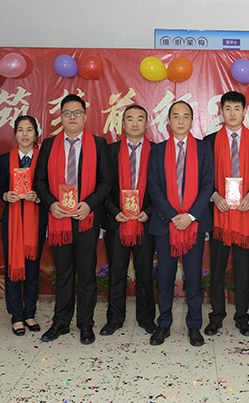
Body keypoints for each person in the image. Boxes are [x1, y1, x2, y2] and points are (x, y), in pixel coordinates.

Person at [34, 94, 112, 345]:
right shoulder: (48, 145)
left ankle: (85, 323)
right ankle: (61, 322)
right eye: (67, 113)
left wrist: (89, 204)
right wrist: (51, 204)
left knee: (87, 274)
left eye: (77, 113)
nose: (72, 117)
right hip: (59, 220)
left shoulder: (98, 144)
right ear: (61, 117)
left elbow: (106, 181)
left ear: (85, 117)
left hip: (85, 218)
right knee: (64, 274)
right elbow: (39, 181)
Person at [147, 101, 215, 348]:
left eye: (185, 116)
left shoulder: (204, 149)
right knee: (164, 276)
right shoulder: (158, 150)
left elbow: (208, 184)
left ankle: (194, 324)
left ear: (192, 121)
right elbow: (153, 185)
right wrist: (172, 215)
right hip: (165, 224)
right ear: (168, 121)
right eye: (176, 116)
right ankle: (164, 323)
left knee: (194, 277)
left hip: (194, 224)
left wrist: (191, 216)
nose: (180, 121)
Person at [203, 91, 249, 338]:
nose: (232, 113)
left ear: (244, 111)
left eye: (237, 108)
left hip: (244, 213)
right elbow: (204, 175)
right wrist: (214, 196)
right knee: (217, 269)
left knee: (242, 269)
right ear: (221, 111)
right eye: (227, 108)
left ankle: (242, 317)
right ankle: (216, 316)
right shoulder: (210, 140)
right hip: (219, 214)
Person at [99, 105, 158, 337]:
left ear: (146, 123)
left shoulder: (157, 151)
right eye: (130, 119)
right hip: (117, 221)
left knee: (145, 275)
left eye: (139, 119)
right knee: (116, 274)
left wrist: (149, 211)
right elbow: (103, 185)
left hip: (145, 222)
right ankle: (114, 319)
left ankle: (146, 319)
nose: (135, 123)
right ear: (122, 124)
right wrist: (114, 211)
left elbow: (162, 188)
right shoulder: (110, 151)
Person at [0, 116, 47, 336]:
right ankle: (16, 316)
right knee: (12, 267)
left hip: (36, 220)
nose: (25, 134)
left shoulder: (43, 157)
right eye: (20, 130)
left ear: (36, 134)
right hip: (12, 220)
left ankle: (30, 313)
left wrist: (38, 197)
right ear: (15, 134)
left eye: (29, 130)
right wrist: (5, 195)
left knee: (32, 269)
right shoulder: (4, 159)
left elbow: (49, 186)